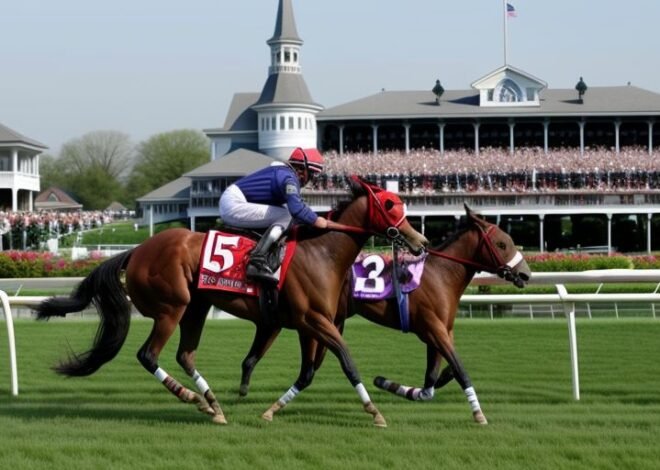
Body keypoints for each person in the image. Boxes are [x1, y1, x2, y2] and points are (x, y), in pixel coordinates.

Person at [219, 147, 328, 283]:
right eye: (311, 174)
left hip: (234, 199)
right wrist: (316, 220)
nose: (310, 180)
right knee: (286, 216)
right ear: (301, 169)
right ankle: (257, 259)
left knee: (286, 214)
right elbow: (296, 209)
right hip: (233, 203)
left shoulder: (284, 173)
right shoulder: (288, 177)